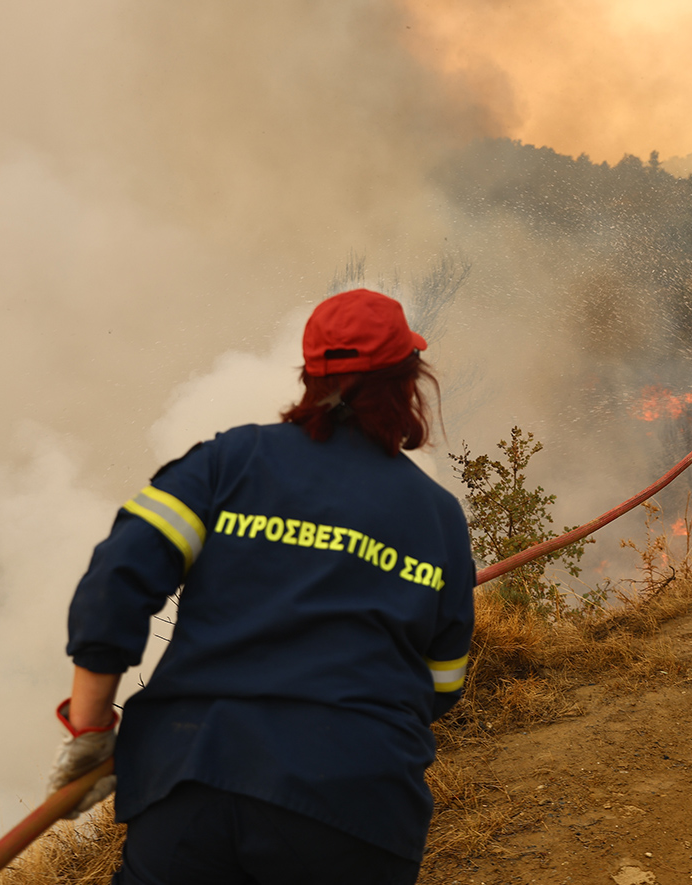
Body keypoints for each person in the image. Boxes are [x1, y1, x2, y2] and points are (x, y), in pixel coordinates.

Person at [46, 288, 477, 884]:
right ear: (408, 381)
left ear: (309, 377)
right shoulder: (438, 518)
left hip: (196, 777)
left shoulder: (228, 463)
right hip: (357, 808)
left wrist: (91, 732)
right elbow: (442, 683)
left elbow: (118, 576)